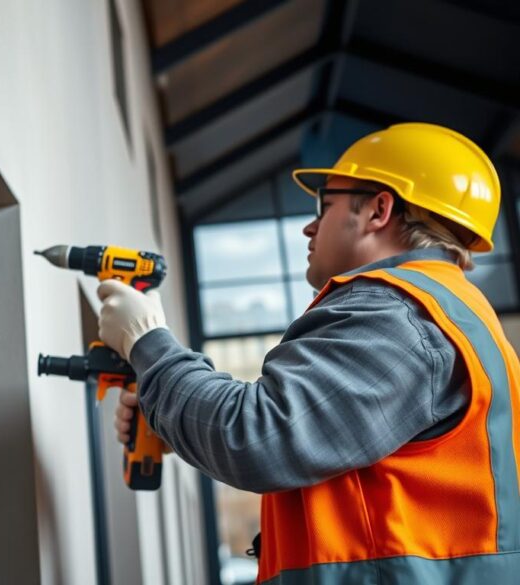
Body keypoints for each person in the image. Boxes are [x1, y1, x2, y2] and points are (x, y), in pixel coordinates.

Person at [96, 122, 520, 583]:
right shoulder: (447, 315)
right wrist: (176, 420)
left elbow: (256, 435)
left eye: (325, 203)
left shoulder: (398, 315)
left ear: (379, 209)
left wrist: (148, 343)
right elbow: (326, 453)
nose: (309, 225)